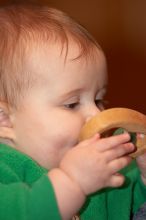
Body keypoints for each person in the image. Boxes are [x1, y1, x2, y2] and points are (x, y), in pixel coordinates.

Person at [0, 3, 145, 220]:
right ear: (5, 121)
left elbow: (132, 205)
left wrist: (143, 178)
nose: (96, 115)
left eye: (99, 100)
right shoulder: (6, 172)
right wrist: (72, 183)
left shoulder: (106, 169)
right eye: (72, 104)